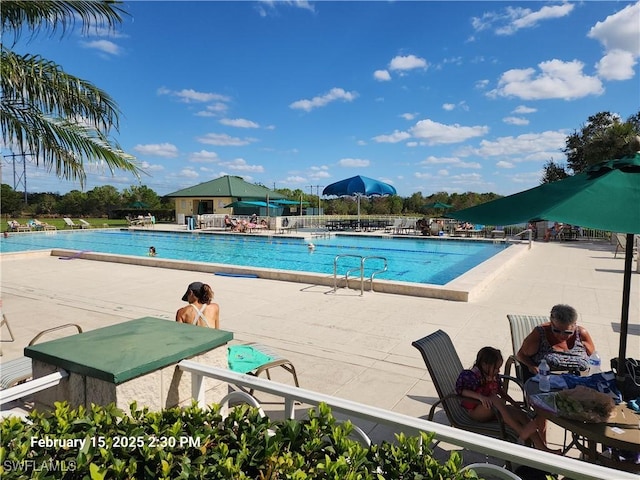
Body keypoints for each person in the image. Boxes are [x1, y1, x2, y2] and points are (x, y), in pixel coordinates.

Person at [456, 346, 556, 452]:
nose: (498, 370)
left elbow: (500, 391)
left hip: (493, 409)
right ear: (484, 365)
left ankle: (543, 448)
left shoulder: (493, 376)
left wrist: (513, 402)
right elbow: (462, 391)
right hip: (476, 411)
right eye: (496, 368)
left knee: (521, 415)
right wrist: (480, 397)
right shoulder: (470, 376)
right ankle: (522, 432)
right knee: (495, 398)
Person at [517, 304, 596, 377]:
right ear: (551, 323)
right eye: (556, 331)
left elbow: (594, 358)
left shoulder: (581, 333)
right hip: (548, 381)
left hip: (579, 382)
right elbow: (521, 354)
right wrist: (531, 366)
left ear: (575, 325)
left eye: (567, 332)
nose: (562, 335)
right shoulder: (540, 333)